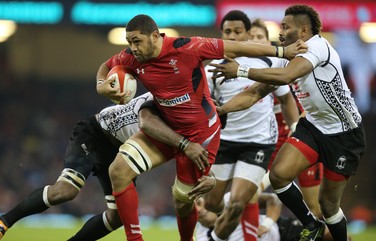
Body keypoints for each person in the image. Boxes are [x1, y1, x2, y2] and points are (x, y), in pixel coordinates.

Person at [95, 14, 306, 241]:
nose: (132, 48)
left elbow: (236, 48)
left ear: (155, 36)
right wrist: (101, 87)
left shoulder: (188, 47)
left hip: (201, 138)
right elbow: (106, 67)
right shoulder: (132, 57)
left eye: (137, 41)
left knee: (183, 201)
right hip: (166, 130)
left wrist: (283, 52)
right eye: (129, 42)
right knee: (117, 170)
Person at [209, 4, 366, 241]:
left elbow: (288, 76)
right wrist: (222, 109)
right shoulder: (286, 57)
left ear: (303, 31)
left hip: (344, 134)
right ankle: (310, 224)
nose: (280, 31)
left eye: (285, 26)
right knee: (279, 175)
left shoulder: (318, 46)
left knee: (328, 205)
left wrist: (241, 70)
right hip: (313, 127)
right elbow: (255, 93)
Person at [0, 92, 215, 241]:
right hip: (94, 134)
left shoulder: (189, 122)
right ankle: (3, 222)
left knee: (118, 216)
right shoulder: (160, 102)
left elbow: (200, 152)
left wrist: (210, 175)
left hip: (119, 151)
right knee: (66, 191)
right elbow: (153, 127)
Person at [203, 11, 299, 241]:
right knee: (212, 204)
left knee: (236, 203)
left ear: (247, 33)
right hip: (224, 142)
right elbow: (205, 107)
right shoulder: (212, 69)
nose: (233, 36)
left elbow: (286, 99)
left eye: (238, 31)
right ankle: (224, 233)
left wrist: (295, 128)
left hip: (257, 143)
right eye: (228, 32)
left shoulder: (268, 64)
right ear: (221, 35)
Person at [250, 18, 324, 219]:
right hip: (269, 146)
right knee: (247, 196)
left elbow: (312, 103)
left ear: (268, 41)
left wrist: (298, 126)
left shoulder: (285, 66)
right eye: (251, 38)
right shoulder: (246, 72)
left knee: (315, 207)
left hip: (300, 140)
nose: (255, 41)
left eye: (260, 37)